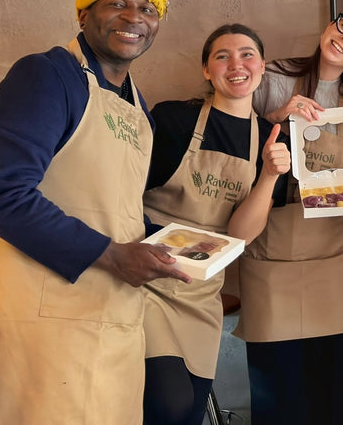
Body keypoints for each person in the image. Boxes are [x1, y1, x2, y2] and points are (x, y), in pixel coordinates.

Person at [0, 0, 190, 425]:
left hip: (111, 316)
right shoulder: (45, 76)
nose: (133, 17)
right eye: (116, 3)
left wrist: (180, 246)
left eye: (147, 9)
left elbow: (111, 205)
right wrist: (112, 254)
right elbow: (0, 195)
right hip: (40, 329)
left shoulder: (136, 105)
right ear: (83, 15)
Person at [236, 9, 343, 425]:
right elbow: (226, 135)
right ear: (328, 26)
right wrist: (273, 118)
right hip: (271, 246)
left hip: (335, 251)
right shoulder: (271, 77)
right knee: (275, 394)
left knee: (334, 393)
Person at [141, 24, 291, 425]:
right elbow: (124, 193)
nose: (236, 64)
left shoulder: (272, 139)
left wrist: (270, 176)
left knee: (190, 408)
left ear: (261, 67)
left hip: (203, 291)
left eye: (247, 55)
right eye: (222, 56)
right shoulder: (172, 119)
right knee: (167, 404)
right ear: (207, 70)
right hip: (148, 280)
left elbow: (240, 235)